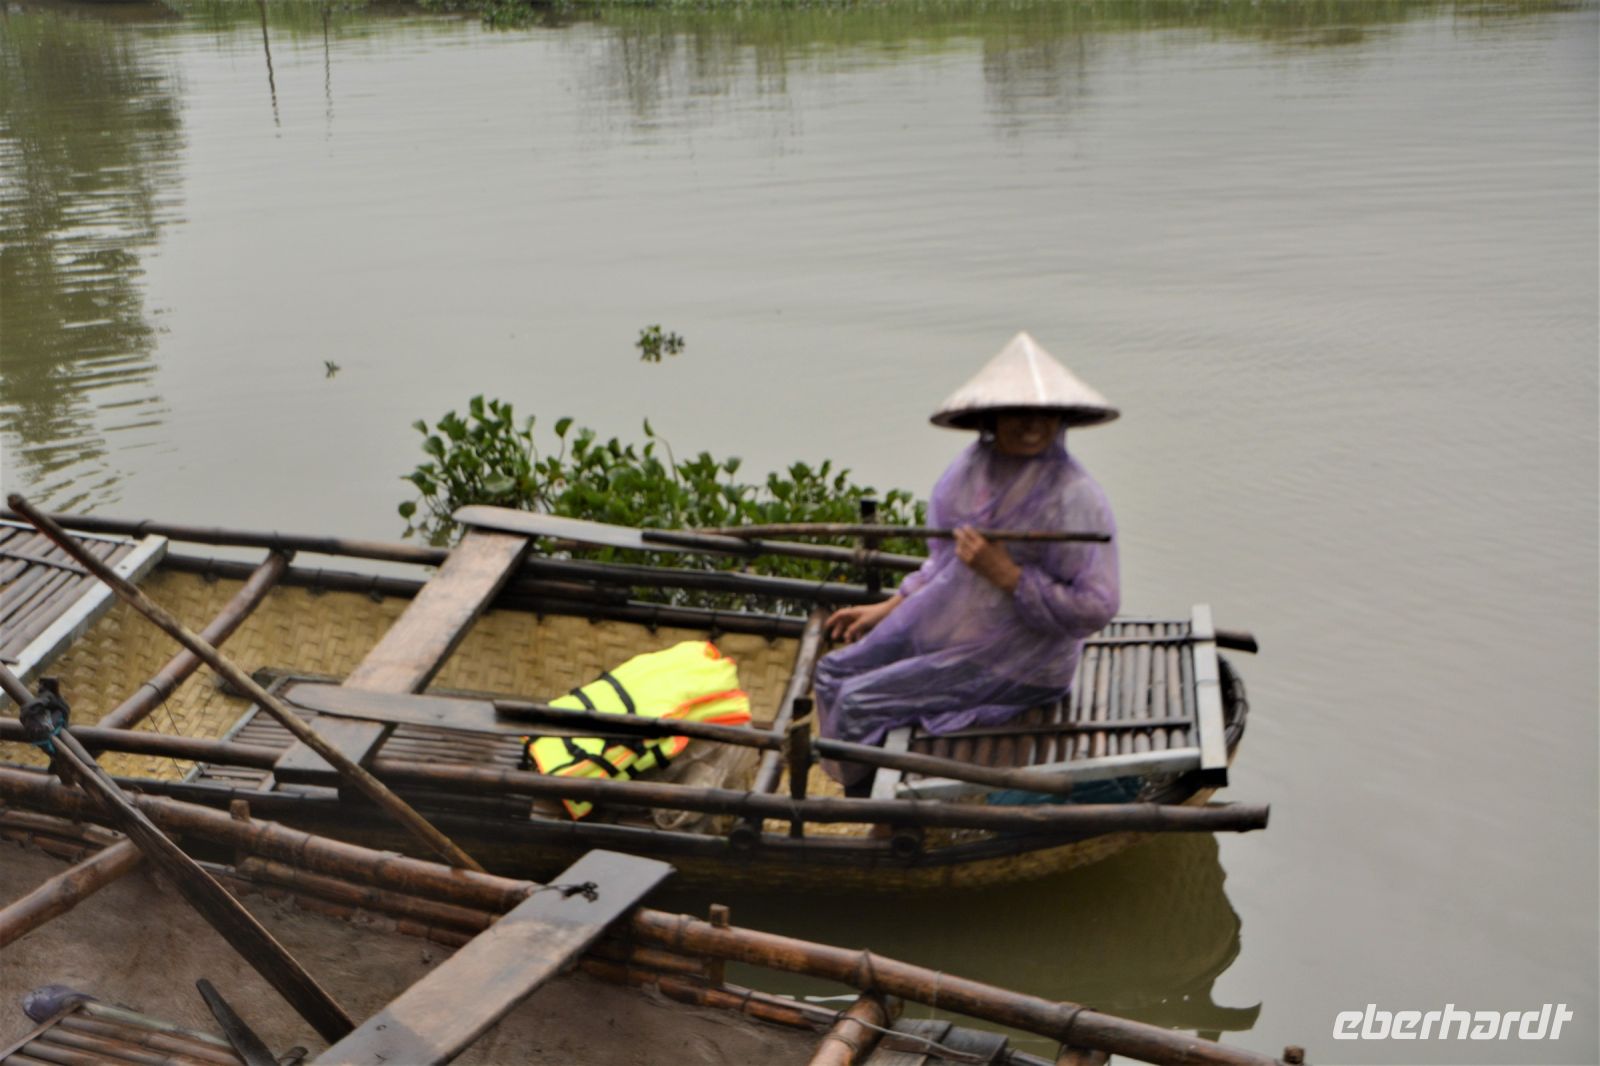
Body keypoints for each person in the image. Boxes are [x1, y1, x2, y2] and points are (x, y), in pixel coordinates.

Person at [813, 332, 1121, 792]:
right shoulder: (969, 474)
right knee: (833, 673)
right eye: (1018, 412)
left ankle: (865, 810)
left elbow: (1096, 607)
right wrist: (888, 607)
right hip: (955, 632)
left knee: (860, 703)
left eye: (1044, 413)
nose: (1032, 425)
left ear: (1062, 419)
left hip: (1022, 662)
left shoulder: (1073, 498)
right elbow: (945, 564)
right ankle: (862, 780)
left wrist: (1011, 577)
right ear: (990, 418)